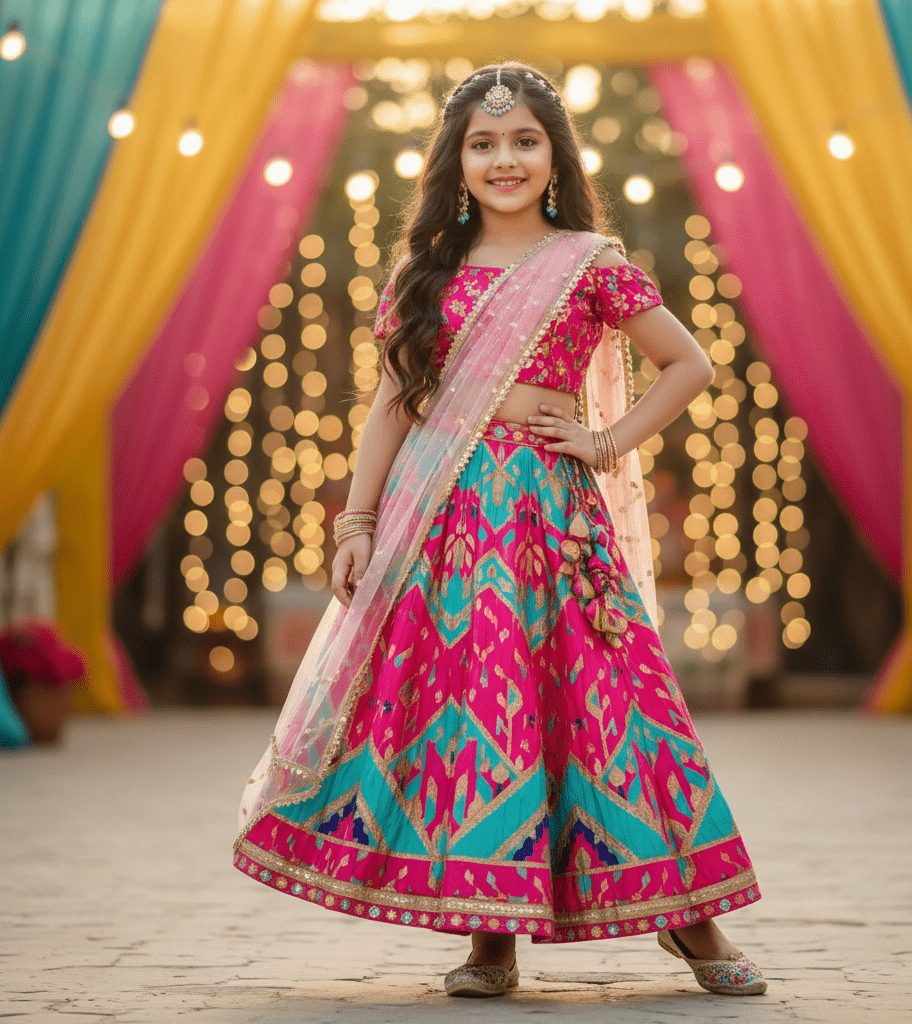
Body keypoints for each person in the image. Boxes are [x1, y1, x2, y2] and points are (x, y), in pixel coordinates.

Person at [231, 61, 767, 999]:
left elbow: (688, 366)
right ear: (457, 160)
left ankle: (692, 919)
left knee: (615, 709)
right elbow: (392, 407)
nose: (504, 158)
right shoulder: (424, 273)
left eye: (524, 140)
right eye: (483, 143)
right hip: (439, 524)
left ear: (555, 155)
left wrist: (605, 442)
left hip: (552, 524)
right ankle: (490, 938)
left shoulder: (589, 262)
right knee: (465, 714)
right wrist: (357, 520)